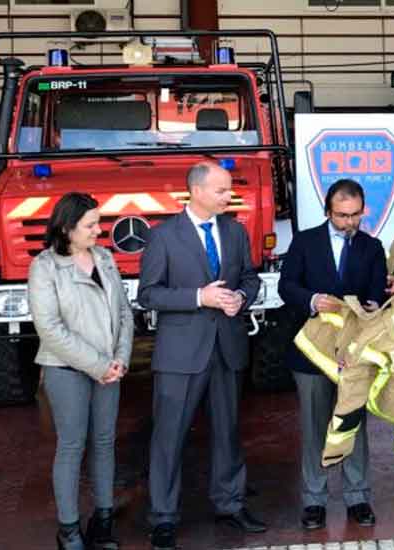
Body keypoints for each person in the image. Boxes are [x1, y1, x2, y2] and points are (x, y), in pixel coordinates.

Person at [137, 161, 265, 550]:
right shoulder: (163, 237)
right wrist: (199, 298)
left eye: (229, 190)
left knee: (228, 431)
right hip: (180, 355)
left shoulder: (236, 230)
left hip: (226, 348)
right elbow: (148, 295)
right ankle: (163, 516)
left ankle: (230, 503)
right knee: (169, 435)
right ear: (196, 191)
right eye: (222, 190)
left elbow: (250, 276)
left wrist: (241, 298)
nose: (229, 196)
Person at [278, 178, 387, 531]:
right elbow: (286, 286)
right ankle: (314, 500)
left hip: (354, 355)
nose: (350, 223)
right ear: (328, 212)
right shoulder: (305, 241)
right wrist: (311, 300)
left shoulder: (372, 247)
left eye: (356, 215)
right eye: (342, 216)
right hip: (311, 354)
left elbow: (377, 297)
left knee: (352, 425)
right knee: (314, 428)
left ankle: (357, 496)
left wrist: (370, 306)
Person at [28, 192, 134, 550]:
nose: (99, 231)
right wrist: (100, 365)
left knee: (104, 443)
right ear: (66, 227)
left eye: (98, 223)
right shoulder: (45, 266)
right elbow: (50, 328)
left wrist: (119, 359)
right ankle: (69, 530)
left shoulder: (104, 258)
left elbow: (123, 313)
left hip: (110, 371)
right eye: (90, 225)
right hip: (66, 370)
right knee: (72, 446)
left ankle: (102, 521)